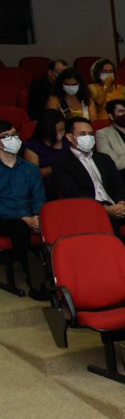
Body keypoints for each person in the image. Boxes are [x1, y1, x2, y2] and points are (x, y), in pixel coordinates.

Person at [0, 119, 46, 297]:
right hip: (5, 218)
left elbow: (38, 198)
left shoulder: (30, 169)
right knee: (19, 227)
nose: (12, 139)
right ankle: (35, 282)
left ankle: (58, 275)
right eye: (6, 136)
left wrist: (37, 217)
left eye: (14, 135)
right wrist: (23, 219)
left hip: (28, 217)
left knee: (50, 223)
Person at [55, 117, 125, 221]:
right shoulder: (62, 163)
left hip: (113, 204)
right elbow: (73, 194)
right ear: (69, 137)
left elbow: (118, 185)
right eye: (82, 134)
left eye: (90, 134)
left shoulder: (104, 158)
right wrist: (104, 209)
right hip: (86, 210)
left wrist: (121, 203)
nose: (88, 137)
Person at [23, 112, 73, 192]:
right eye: (55, 131)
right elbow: (34, 174)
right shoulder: (33, 146)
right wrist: (56, 167)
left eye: (61, 130)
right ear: (44, 129)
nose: (59, 134)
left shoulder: (68, 141)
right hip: (46, 186)